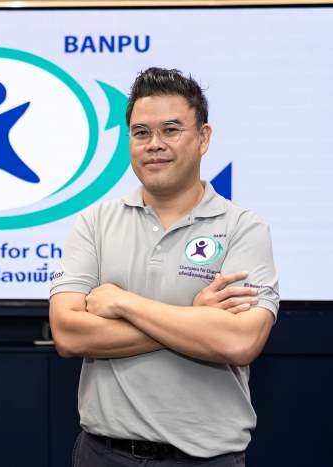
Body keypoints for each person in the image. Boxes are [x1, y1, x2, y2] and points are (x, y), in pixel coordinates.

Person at [49, 68, 279, 466]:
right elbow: (68, 334)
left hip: (207, 458)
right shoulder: (95, 223)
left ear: (203, 137)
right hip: (103, 453)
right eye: (141, 133)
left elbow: (240, 342)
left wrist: (122, 303)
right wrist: (197, 317)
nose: (154, 144)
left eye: (171, 130)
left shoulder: (243, 228)